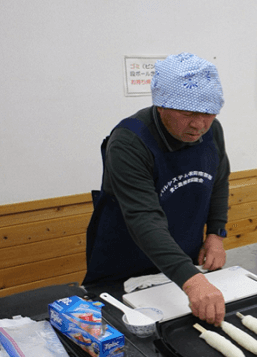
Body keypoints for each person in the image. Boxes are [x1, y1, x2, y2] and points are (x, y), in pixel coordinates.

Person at [83, 52, 229, 325]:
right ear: (161, 106)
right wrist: (192, 282)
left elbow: (219, 181)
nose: (199, 125)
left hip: (182, 257)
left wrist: (216, 234)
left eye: (208, 113)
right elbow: (144, 218)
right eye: (187, 114)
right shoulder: (129, 141)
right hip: (125, 262)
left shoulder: (212, 130)